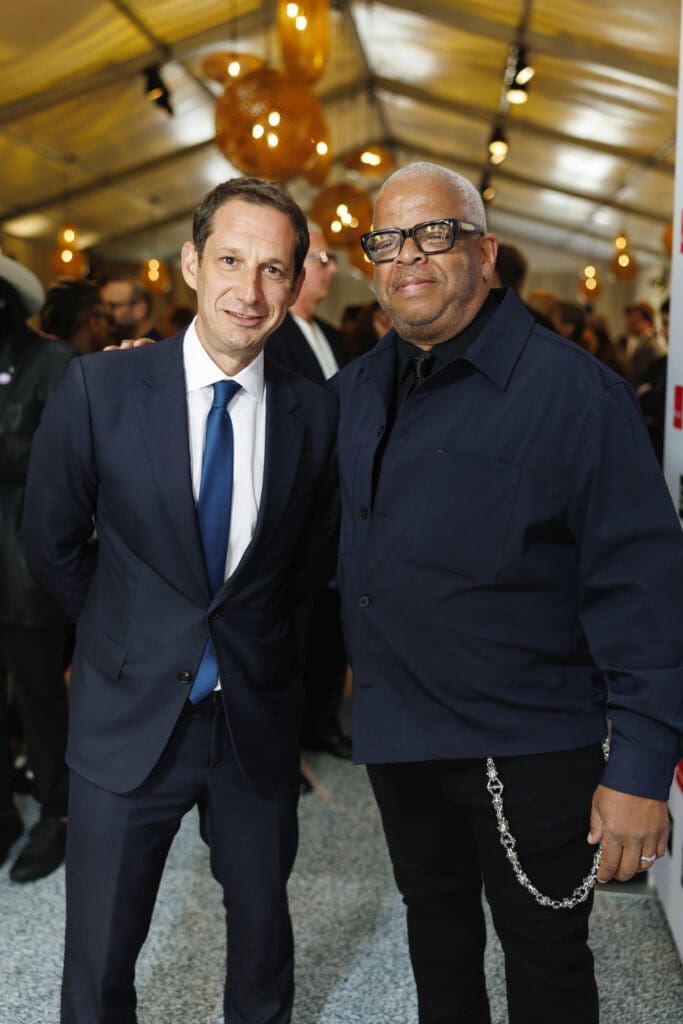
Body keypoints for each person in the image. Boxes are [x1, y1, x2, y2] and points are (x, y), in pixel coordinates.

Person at [332, 162, 683, 1024]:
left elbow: (643, 594)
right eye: (386, 240)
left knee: (546, 959)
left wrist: (640, 771)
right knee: (436, 935)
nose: (407, 256)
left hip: (524, 748)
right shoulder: (355, 390)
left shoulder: (575, 396)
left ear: (484, 254)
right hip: (398, 738)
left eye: (433, 234)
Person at [21, 178, 339, 1024]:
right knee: (100, 958)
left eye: (274, 270)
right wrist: (130, 635)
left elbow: (307, 563)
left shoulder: (315, 414)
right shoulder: (100, 389)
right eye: (231, 261)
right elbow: (50, 543)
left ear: (295, 283)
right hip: (126, 719)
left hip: (253, 724)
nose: (250, 291)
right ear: (192, 264)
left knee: (263, 949)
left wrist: (253, 643)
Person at [0, 254, 73, 882]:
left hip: (26, 567)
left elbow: (65, 457)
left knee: (41, 700)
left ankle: (59, 815)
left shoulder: (53, 362)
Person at [268, 226, 350, 761]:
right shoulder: (275, 335)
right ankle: (284, 744)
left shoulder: (331, 336)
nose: (332, 268)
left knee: (329, 624)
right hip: (292, 505)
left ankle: (322, 723)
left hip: (332, 505)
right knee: (290, 631)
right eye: (323, 258)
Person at [40, 278, 114, 354]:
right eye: (108, 318)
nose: (110, 327)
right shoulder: (103, 360)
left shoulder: (45, 356)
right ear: (93, 322)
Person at [100, 276, 161, 343]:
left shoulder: (157, 347)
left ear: (141, 309)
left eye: (113, 306)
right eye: (103, 306)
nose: (106, 312)